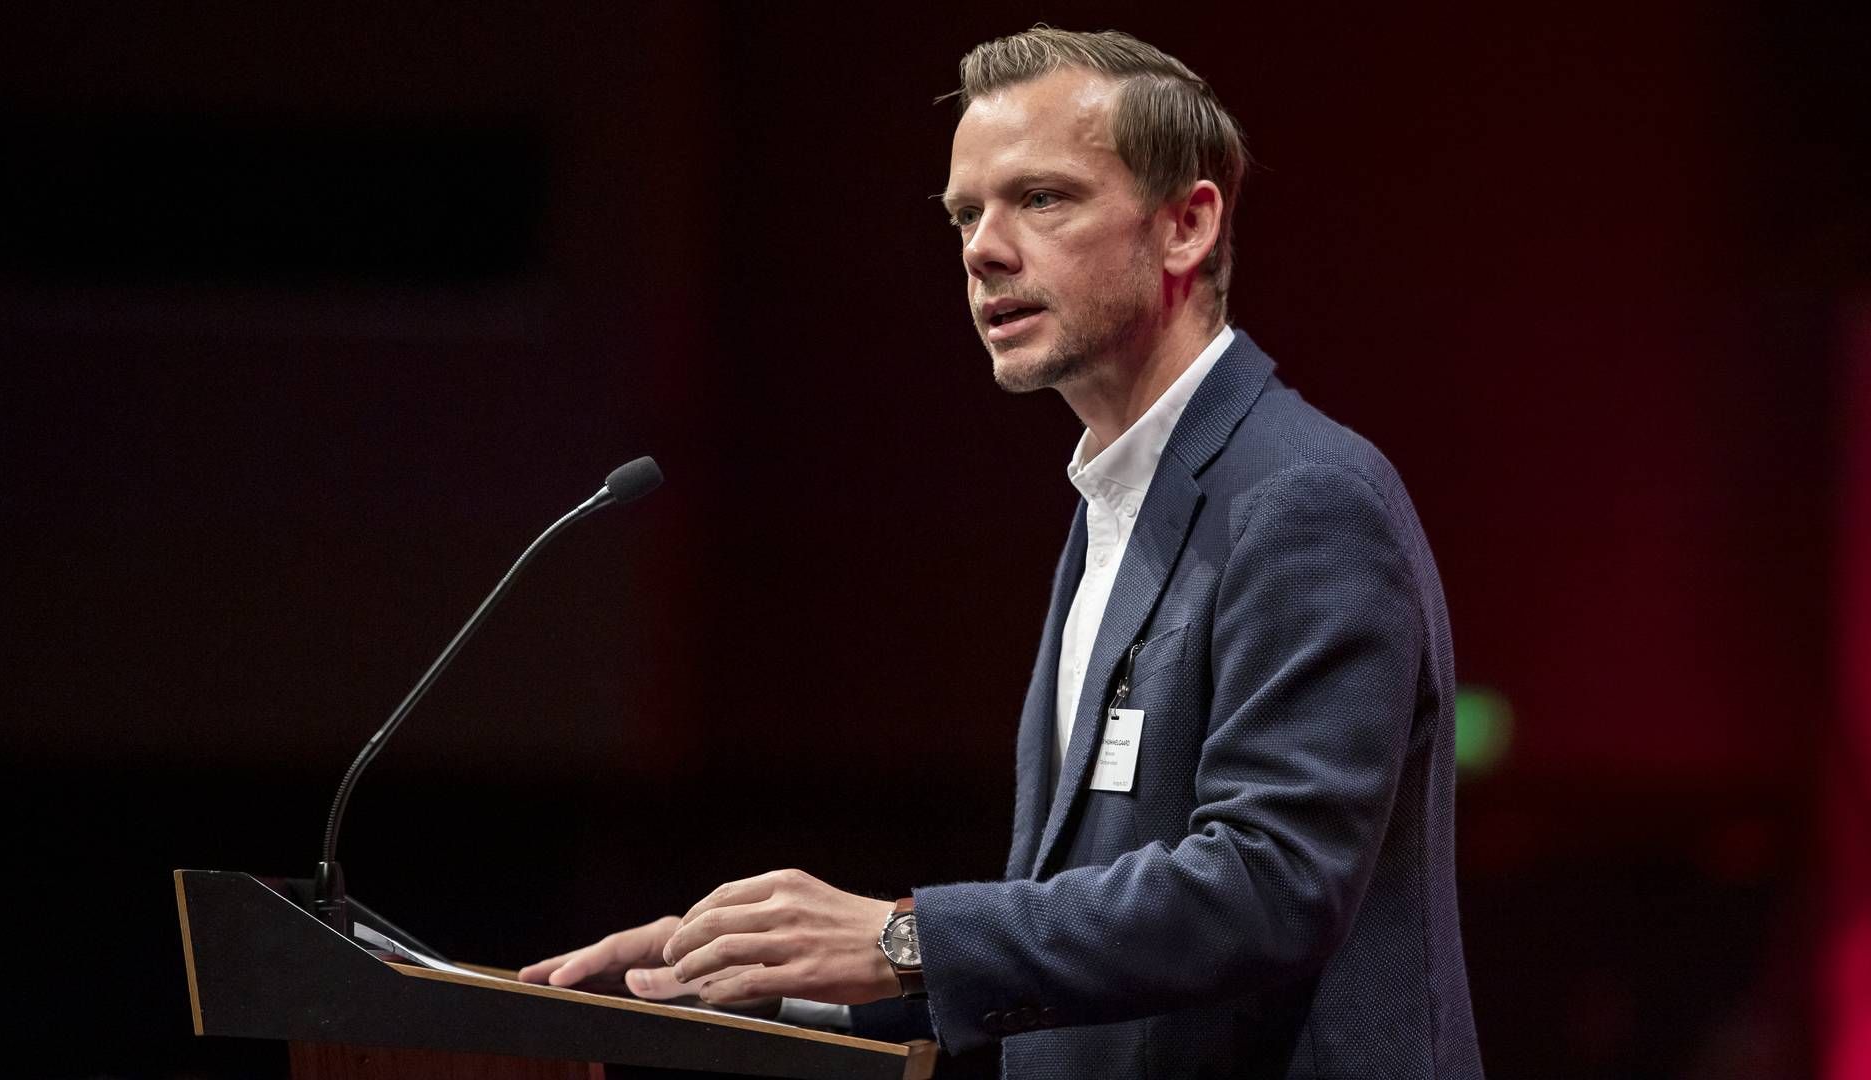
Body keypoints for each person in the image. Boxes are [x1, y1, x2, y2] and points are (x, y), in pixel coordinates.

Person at [522, 28, 1483, 1079]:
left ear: (1186, 226)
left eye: (1042, 199)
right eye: (965, 212)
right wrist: (746, 981)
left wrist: (903, 941)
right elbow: (1084, 953)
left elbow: (1271, 885)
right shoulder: (1117, 508)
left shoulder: (1303, 499)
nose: (982, 247)